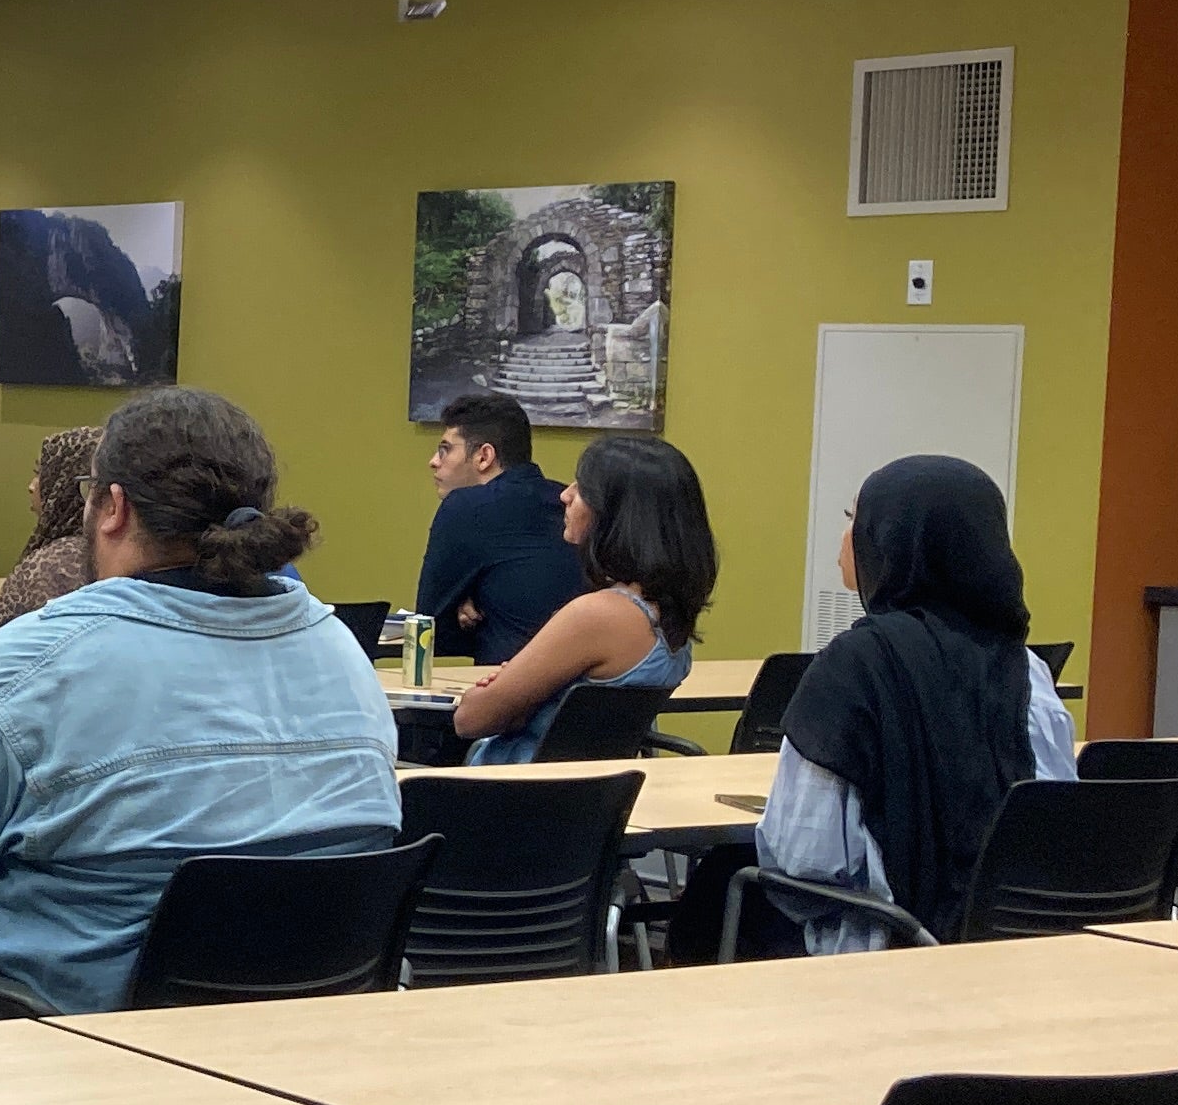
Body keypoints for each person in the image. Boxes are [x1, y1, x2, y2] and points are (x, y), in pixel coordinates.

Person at [0, 386, 399, 1021]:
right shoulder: (341, 652)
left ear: (112, 506)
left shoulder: (36, 660)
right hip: (290, 1059)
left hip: (42, 1055)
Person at [758, 454, 1074, 952]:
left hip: (879, 961)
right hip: (1017, 958)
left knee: (717, 898)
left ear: (889, 542)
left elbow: (803, 859)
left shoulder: (852, 667)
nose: (845, 540)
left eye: (852, 522)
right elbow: (1055, 825)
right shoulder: (1028, 671)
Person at [448, 435, 715, 763]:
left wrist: (510, 691)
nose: (565, 494)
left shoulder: (597, 616)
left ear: (619, 513)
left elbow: (471, 719)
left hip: (517, 796)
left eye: (583, 487)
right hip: (587, 798)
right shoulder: (670, 614)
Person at [413, 392, 586, 664]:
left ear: (484, 456)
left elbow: (429, 630)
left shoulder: (465, 506)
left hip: (510, 689)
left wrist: (474, 613)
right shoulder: (566, 502)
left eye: (446, 449)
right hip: (588, 685)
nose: (434, 460)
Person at [0, 422, 104, 645]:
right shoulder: (124, 561)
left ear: (65, 484)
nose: (32, 486)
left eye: (41, 474)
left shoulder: (48, 568)